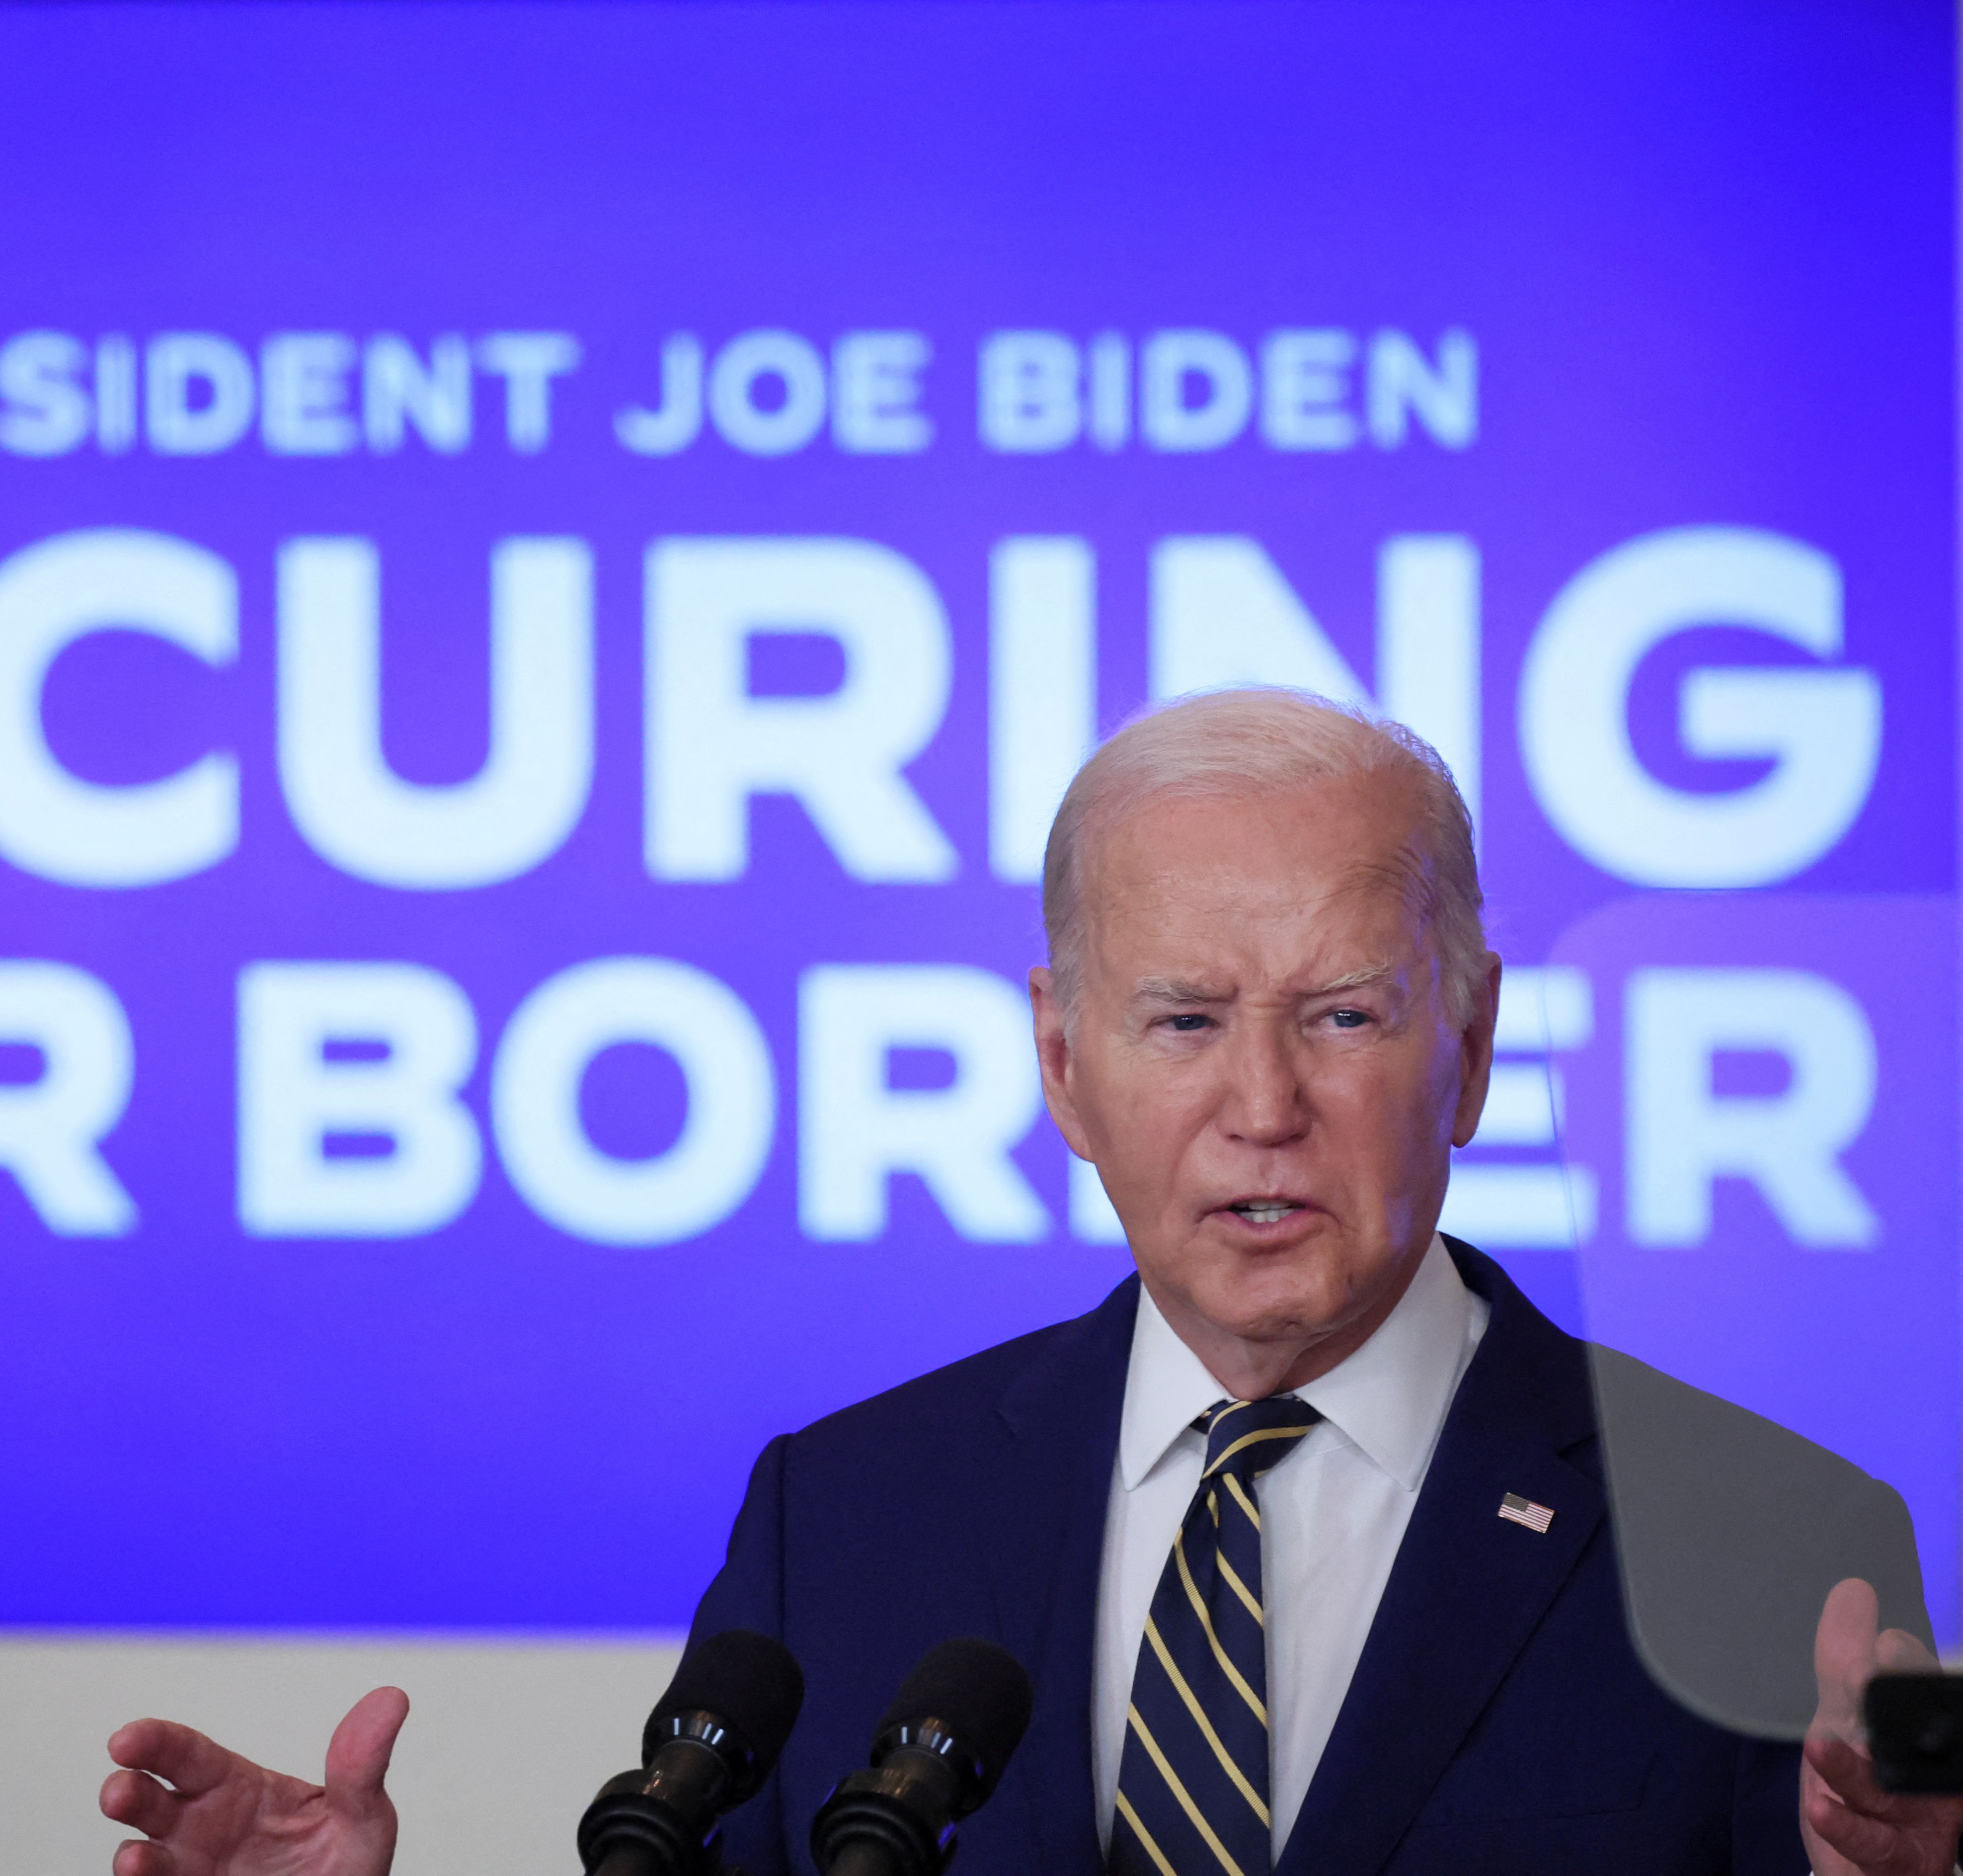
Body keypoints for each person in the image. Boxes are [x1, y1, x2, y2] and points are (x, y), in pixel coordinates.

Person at [100, 690, 1962, 1876]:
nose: (1260, 1106)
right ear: (1062, 1067)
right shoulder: (841, 1522)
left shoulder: (1765, 1544)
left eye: (1340, 1016)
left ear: (1467, 1050)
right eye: (1181, 1021)